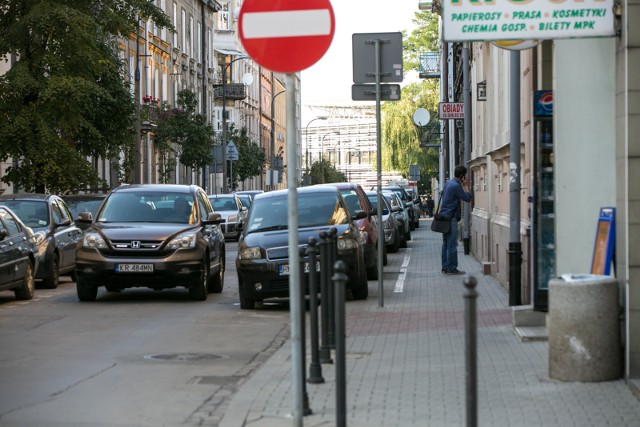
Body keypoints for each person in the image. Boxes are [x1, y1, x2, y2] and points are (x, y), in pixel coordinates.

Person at [439, 165, 473, 275]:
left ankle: (445, 266)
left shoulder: (448, 183)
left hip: (444, 216)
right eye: (465, 176)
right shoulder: (456, 186)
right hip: (451, 217)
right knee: (452, 244)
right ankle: (452, 268)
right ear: (462, 176)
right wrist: (466, 186)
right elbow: (467, 198)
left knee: (445, 243)